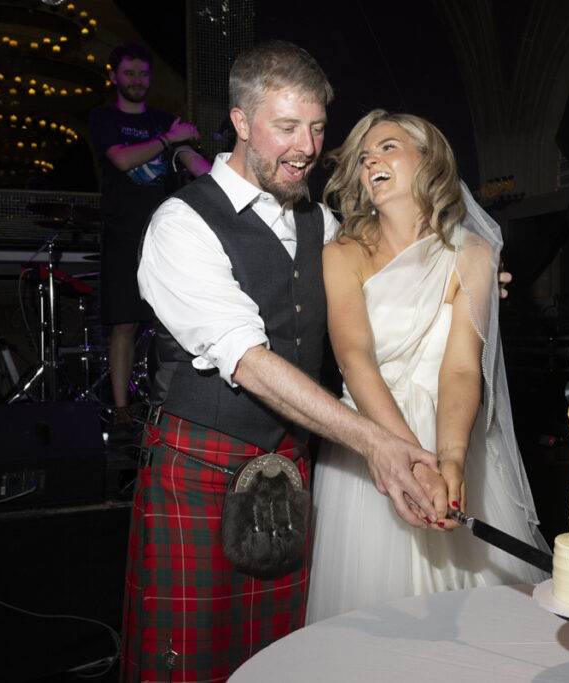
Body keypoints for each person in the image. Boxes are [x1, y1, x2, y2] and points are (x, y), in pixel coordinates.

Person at [125, 42, 440, 681]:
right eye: (287, 127)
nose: (307, 147)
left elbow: (390, 284)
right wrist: (374, 443)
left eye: (317, 127)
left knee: (282, 661)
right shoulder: (181, 223)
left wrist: (461, 281)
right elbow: (247, 360)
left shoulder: (321, 223)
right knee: (186, 665)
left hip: (291, 471)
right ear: (241, 122)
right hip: (199, 470)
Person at [305, 110, 550, 624]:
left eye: (388, 147)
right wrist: (409, 459)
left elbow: (461, 368)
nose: (371, 160)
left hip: (451, 435)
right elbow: (354, 358)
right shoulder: (342, 253)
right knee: (377, 626)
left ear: (429, 160)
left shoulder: (474, 253)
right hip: (371, 444)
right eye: (364, 156)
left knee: (483, 622)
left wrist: (452, 459)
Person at [88, 42, 210, 440]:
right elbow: (122, 160)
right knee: (125, 323)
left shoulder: (163, 120)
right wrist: (168, 140)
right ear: (114, 76)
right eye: (129, 73)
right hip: (124, 233)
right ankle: (121, 410)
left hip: (166, 237)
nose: (137, 80)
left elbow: (193, 162)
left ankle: (167, 406)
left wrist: (225, 179)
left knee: (170, 323)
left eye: (143, 73)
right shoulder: (104, 117)